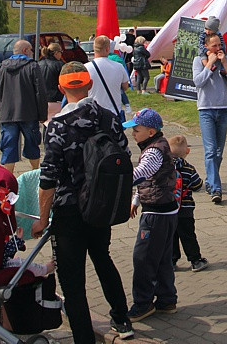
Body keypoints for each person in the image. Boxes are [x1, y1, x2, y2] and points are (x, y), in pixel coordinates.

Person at [32, 62, 133, 342]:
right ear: (89, 85)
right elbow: (124, 158)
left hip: (69, 210)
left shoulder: (57, 126)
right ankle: (122, 318)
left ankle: (84, 337)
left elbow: (48, 178)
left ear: (62, 88)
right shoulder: (110, 118)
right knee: (103, 257)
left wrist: (42, 219)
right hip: (101, 205)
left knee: (72, 279)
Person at [123, 108, 179, 322]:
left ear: (151, 131)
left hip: (156, 213)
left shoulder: (154, 151)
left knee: (143, 258)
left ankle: (143, 303)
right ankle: (166, 299)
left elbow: (141, 173)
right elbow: (150, 178)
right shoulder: (157, 146)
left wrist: (118, 181)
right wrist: (136, 199)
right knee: (162, 258)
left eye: (136, 130)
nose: (133, 134)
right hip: (166, 210)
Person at [192, 33, 227, 203]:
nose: (218, 49)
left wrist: (225, 64)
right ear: (206, 47)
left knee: (218, 152)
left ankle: (211, 182)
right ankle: (216, 188)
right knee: (211, 150)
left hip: (223, 109)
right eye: (214, 46)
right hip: (206, 109)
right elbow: (198, 82)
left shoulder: (225, 60)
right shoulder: (199, 61)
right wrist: (210, 64)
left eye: (220, 45)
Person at [0, 39, 47, 173]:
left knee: (8, 148)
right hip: (29, 113)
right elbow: (40, 92)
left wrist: (0, 111)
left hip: (7, 114)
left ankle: (8, 182)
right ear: (25, 51)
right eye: (31, 50)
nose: (32, 53)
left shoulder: (1, 67)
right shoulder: (32, 66)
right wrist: (42, 114)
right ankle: (35, 175)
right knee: (33, 147)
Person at [168, 134, 208, 272]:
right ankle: (195, 260)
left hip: (169, 208)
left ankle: (171, 261)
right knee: (188, 235)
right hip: (185, 208)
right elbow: (197, 185)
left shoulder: (165, 167)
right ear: (187, 151)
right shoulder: (189, 168)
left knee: (171, 236)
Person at [85, 35, 129, 116]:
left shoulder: (85, 68)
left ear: (94, 48)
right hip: (114, 112)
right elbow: (125, 87)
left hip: (94, 112)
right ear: (108, 49)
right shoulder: (119, 66)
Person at [38, 42, 64, 123]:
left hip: (41, 101)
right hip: (57, 100)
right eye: (61, 52)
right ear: (56, 53)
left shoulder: (38, 64)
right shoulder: (60, 65)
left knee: (46, 126)